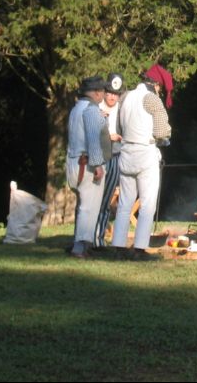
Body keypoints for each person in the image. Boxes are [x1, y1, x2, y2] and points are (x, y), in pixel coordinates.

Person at [111, 67, 172, 260]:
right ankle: (140, 248)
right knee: (147, 204)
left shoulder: (125, 97)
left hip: (126, 152)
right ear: (155, 84)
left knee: (124, 204)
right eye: (159, 87)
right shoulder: (152, 99)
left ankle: (119, 247)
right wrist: (163, 139)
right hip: (145, 154)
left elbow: (120, 126)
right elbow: (162, 131)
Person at [65, 76, 108, 259]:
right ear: (97, 92)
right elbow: (93, 140)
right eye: (103, 92)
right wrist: (98, 165)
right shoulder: (91, 110)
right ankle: (80, 246)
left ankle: (82, 244)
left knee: (84, 205)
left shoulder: (76, 109)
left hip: (75, 161)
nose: (104, 95)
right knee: (89, 206)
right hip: (87, 163)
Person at [93, 73, 124, 249]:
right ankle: (87, 237)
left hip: (115, 157)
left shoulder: (122, 110)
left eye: (115, 94)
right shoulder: (96, 108)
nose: (112, 97)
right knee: (92, 199)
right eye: (110, 93)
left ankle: (99, 238)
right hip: (99, 158)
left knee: (106, 200)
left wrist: (120, 138)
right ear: (105, 92)